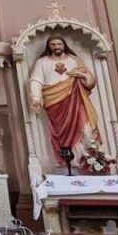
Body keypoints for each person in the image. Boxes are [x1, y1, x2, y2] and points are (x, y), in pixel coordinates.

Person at [29, 36, 102, 166]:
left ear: (64, 45)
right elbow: (36, 80)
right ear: (49, 46)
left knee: (87, 130)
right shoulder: (42, 62)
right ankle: (72, 162)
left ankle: (91, 161)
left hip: (76, 99)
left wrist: (81, 75)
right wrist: (36, 98)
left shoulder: (75, 60)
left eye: (59, 44)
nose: (56, 47)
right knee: (64, 135)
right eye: (53, 44)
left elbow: (90, 80)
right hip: (55, 103)